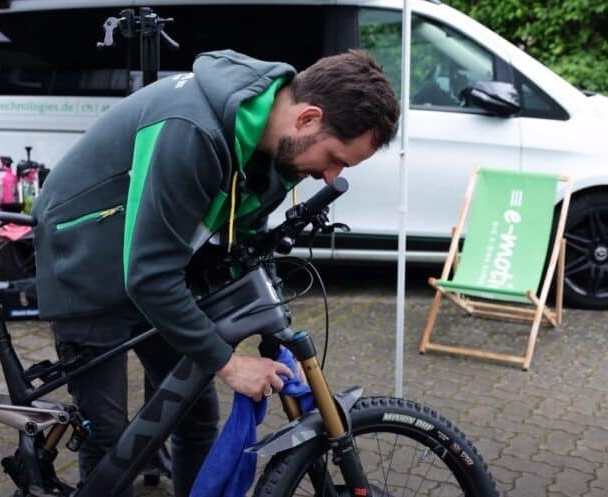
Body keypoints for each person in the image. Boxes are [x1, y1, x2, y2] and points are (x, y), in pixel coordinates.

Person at [31, 49, 399, 497]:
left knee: (194, 412)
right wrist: (228, 364)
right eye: (335, 157)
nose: (330, 176)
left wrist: (276, 343)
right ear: (307, 118)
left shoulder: (275, 152)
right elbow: (149, 274)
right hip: (86, 269)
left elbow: (239, 250)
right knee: (111, 441)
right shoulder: (193, 130)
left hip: (155, 272)